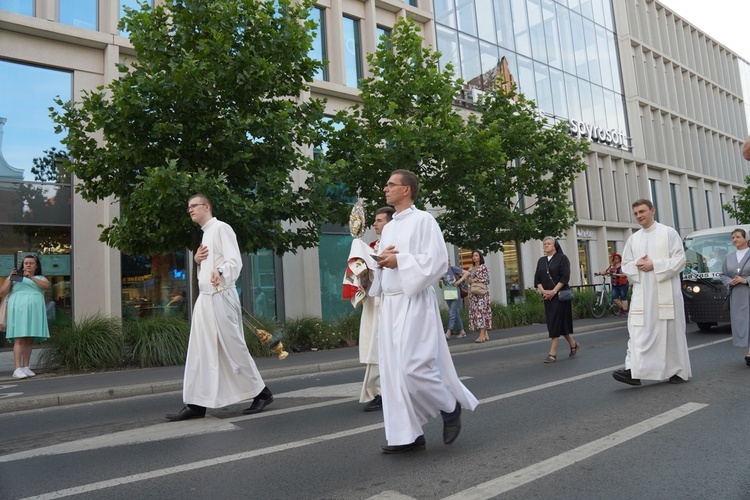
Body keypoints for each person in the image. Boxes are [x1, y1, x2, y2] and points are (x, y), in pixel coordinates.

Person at [371, 169, 478, 454]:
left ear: (407, 190)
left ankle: (449, 405)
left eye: (391, 184)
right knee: (393, 374)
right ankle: (407, 435)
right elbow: (388, 261)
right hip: (391, 303)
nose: (385, 188)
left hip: (414, 300)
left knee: (413, 367)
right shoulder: (390, 226)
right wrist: (378, 262)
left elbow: (438, 261)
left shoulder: (424, 220)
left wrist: (401, 260)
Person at [166, 194, 273, 421]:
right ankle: (196, 404)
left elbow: (235, 261)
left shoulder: (222, 228)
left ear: (207, 206)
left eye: (194, 206)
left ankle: (262, 393)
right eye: (188, 207)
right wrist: (197, 261)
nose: (190, 210)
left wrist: (221, 271)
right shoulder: (205, 234)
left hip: (221, 296)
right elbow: (207, 270)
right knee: (200, 351)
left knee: (233, 346)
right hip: (205, 299)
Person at [613, 199, 691, 386]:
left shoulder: (668, 233)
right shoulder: (634, 239)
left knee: (669, 333)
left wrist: (654, 264)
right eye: (636, 213)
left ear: (652, 211)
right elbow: (626, 265)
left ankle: (676, 371)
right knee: (638, 332)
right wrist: (638, 264)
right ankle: (634, 371)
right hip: (643, 295)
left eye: (642, 211)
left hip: (666, 295)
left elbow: (680, 260)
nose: (639, 216)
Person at [343, 205, 394, 412]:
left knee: (383, 347)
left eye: (379, 220)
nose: (375, 224)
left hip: (389, 302)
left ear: (390, 222)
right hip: (374, 303)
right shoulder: (373, 245)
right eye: (374, 220)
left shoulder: (394, 245)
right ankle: (378, 391)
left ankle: (384, 392)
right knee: (374, 346)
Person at [0, 255, 50, 379]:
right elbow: (2, 292)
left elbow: (45, 286)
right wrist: (11, 278)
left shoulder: (40, 278)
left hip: (34, 311)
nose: (27, 265)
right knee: (20, 338)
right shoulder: (15, 277)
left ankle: (26, 366)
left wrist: (31, 277)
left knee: (29, 339)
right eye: (25, 263)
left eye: (31, 263)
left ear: (36, 265)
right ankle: (17, 368)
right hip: (19, 310)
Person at [534, 238, 580, 363]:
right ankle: (573, 344)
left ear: (555, 246)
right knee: (558, 323)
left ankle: (552, 353)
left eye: (548, 244)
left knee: (555, 322)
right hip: (547, 296)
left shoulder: (562, 258)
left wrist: (553, 291)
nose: (546, 245)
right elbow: (537, 278)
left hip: (560, 296)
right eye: (544, 244)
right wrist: (544, 292)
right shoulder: (541, 261)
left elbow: (565, 277)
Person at [720, 228, 750, 366]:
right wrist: (729, 282)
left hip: (748, 290)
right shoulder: (729, 257)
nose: (735, 240)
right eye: (733, 238)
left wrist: (746, 280)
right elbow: (723, 274)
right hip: (737, 295)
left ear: (746, 238)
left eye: (738, 237)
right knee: (743, 322)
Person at [467, 250, 492, 343]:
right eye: (473, 256)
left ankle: (481, 336)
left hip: (482, 294)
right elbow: (469, 281)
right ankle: (485, 334)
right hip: (473, 294)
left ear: (480, 257)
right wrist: (468, 294)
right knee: (477, 314)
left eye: (476, 255)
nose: (474, 257)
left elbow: (487, 280)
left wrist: (476, 280)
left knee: (481, 313)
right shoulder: (471, 268)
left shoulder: (483, 267)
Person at [440, 260, 468, 340]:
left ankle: (449, 332)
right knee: (455, 312)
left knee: (452, 312)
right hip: (447, 293)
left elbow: (466, 273)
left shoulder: (453, 268)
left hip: (456, 292)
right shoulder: (441, 271)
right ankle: (462, 331)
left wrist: (459, 281)